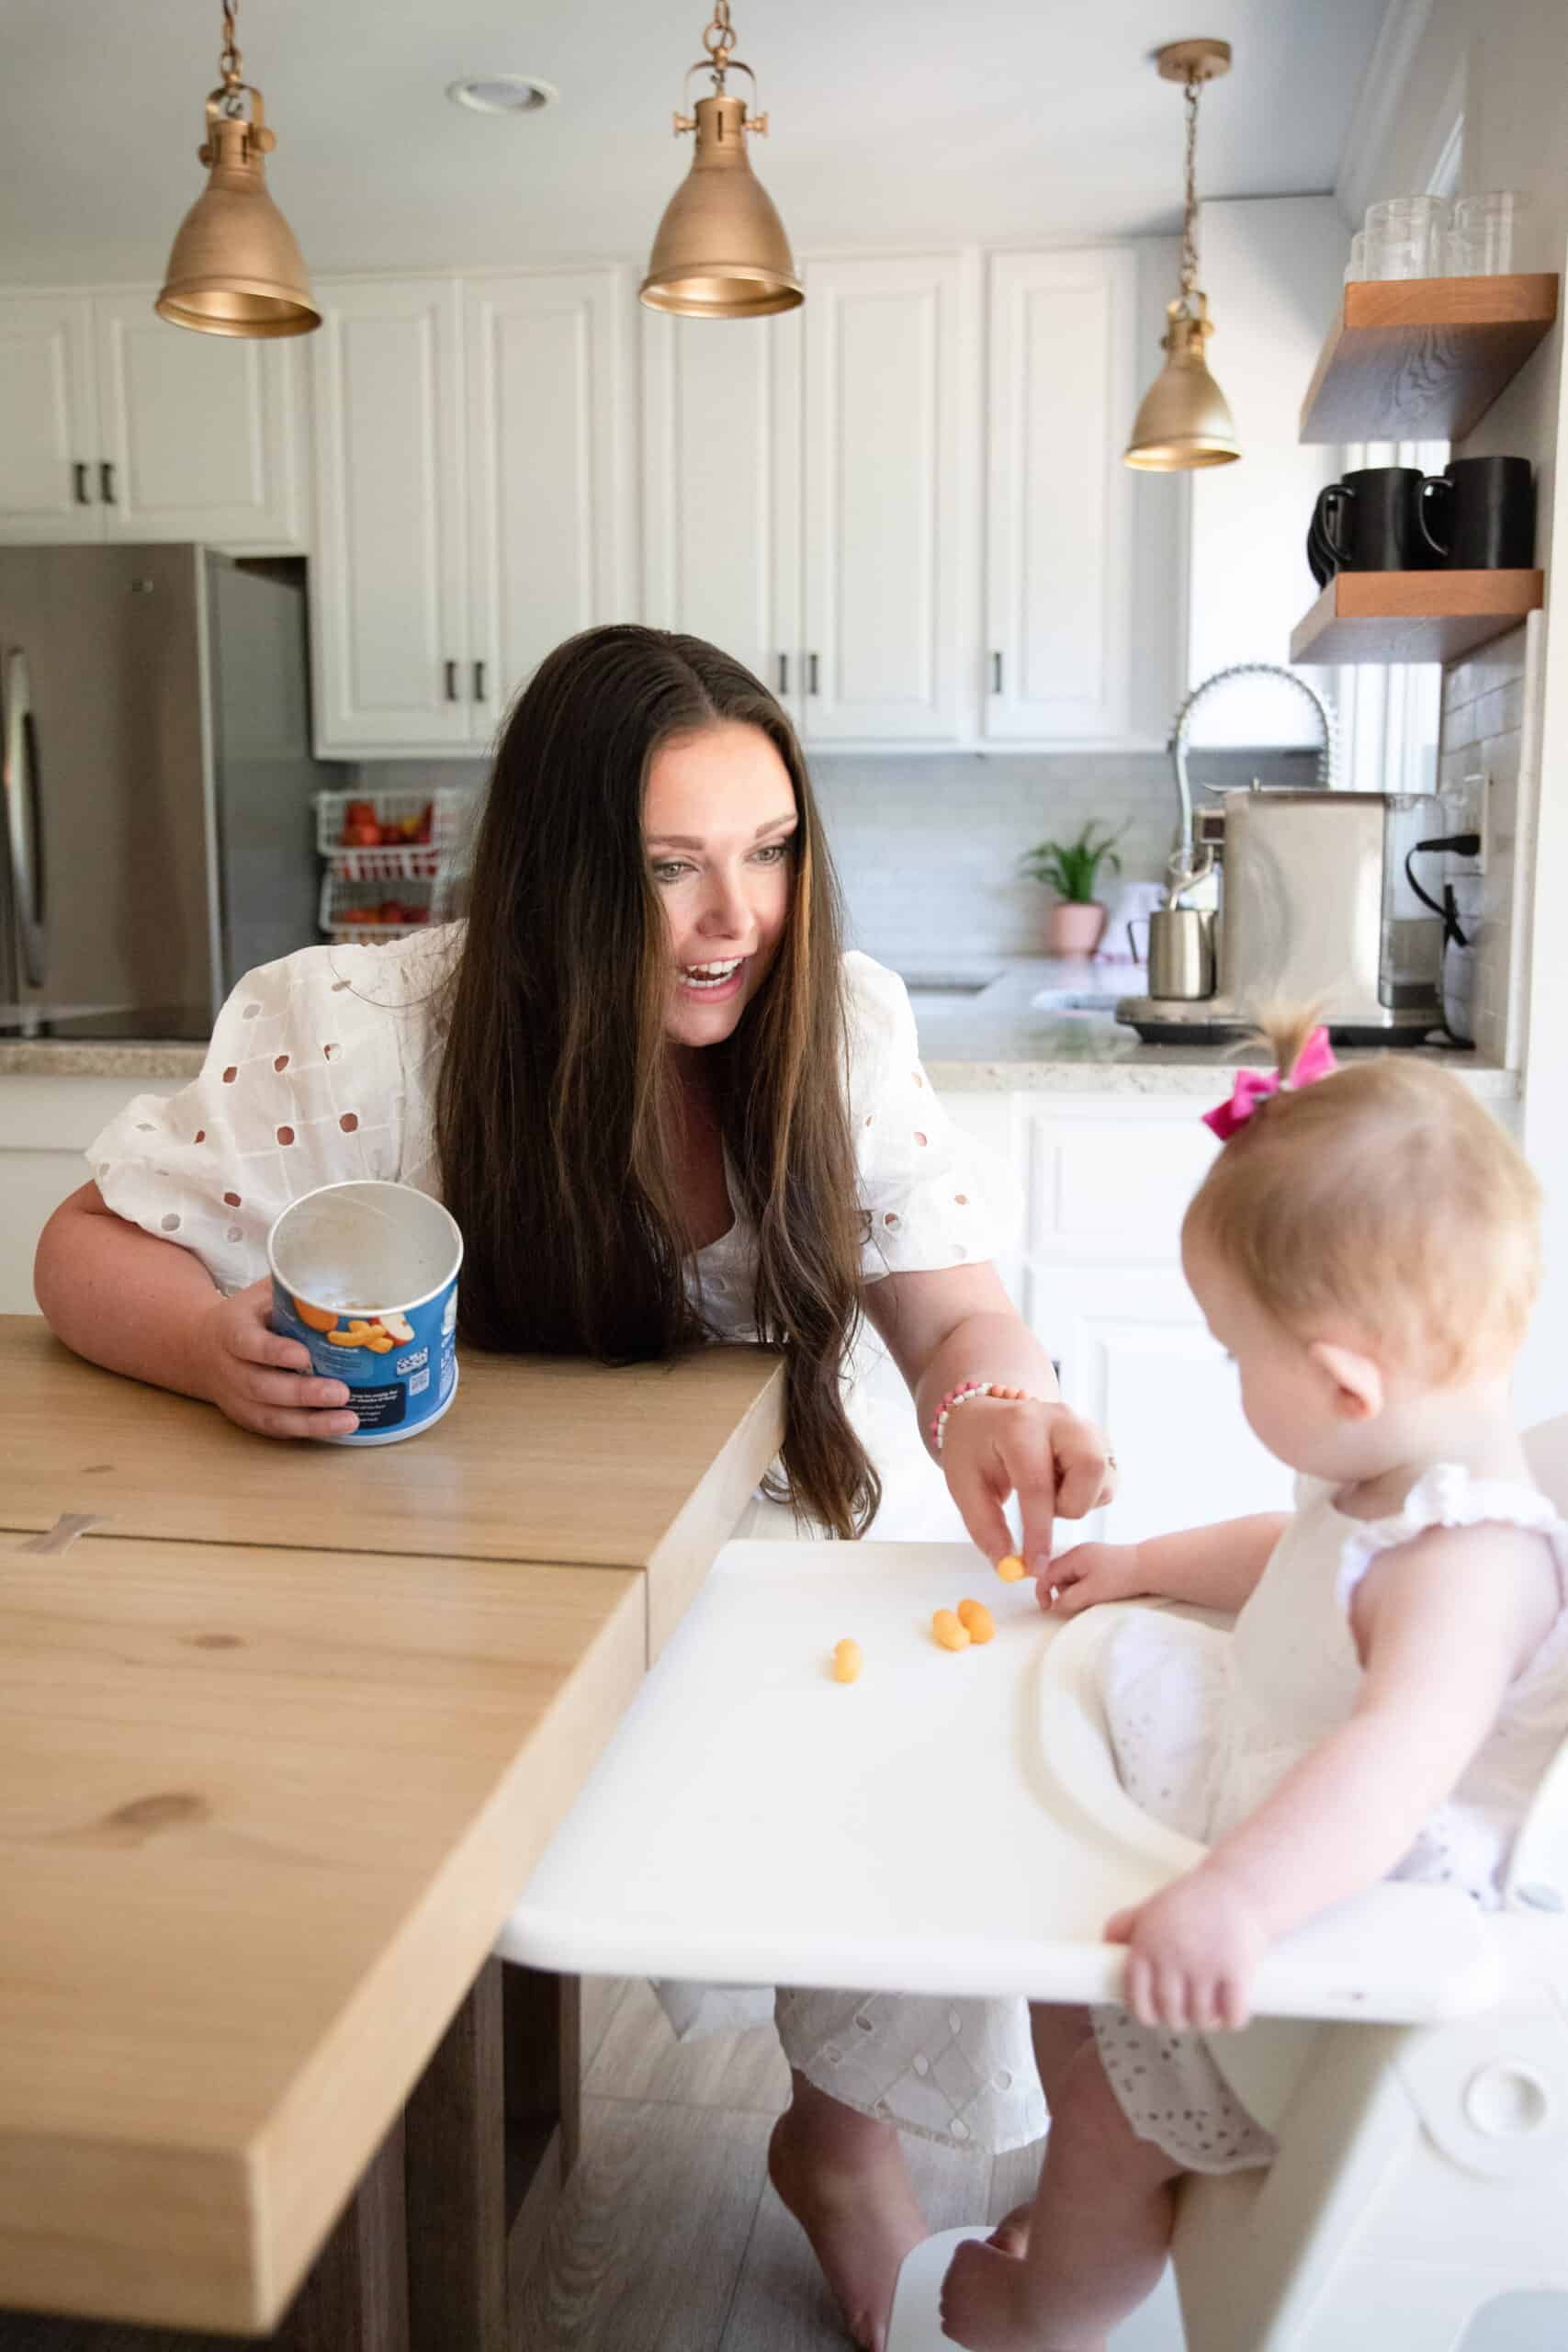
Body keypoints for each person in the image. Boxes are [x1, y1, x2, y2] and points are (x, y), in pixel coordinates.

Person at [34, 623, 1112, 2352]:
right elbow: (86, 1245)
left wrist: (993, 1396)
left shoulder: (834, 1025)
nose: (735, 918)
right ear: (549, 879)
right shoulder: (359, 1029)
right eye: (670, 870)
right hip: (415, 1575)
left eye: (768, 853)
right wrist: (204, 1345)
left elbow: (956, 1303)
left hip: (742, 1553)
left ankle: (839, 2145)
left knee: (943, 1714)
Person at [939, 1012, 1568, 2352]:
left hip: (1335, 1925)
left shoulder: (1472, 1563)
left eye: (1234, 1355)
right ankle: (1078, 2172)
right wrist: (1143, 1563)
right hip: (1284, 1794)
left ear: (1342, 1382)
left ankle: (1050, 2311)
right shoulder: (1391, 1474)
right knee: (1070, 1958)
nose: (1228, 1376)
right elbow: (1302, 1558)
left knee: (1110, 2121)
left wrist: (1233, 1900)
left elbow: (1397, 1754)